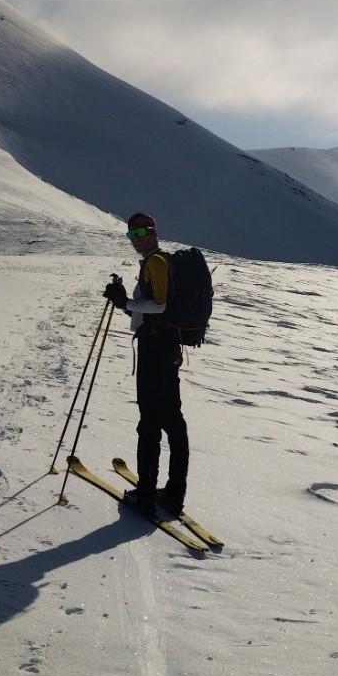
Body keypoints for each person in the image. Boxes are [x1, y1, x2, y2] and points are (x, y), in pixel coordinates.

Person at [103, 212, 188, 519]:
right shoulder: (154, 262)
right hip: (166, 347)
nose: (136, 239)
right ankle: (174, 494)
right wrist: (123, 302)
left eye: (141, 232)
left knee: (150, 422)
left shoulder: (156, 262)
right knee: (172, 420)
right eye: (131, 235)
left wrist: (125, 302)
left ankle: (147, 497)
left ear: (153, 232)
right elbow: (151, 312)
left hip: (156, 352)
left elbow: (161, 304)